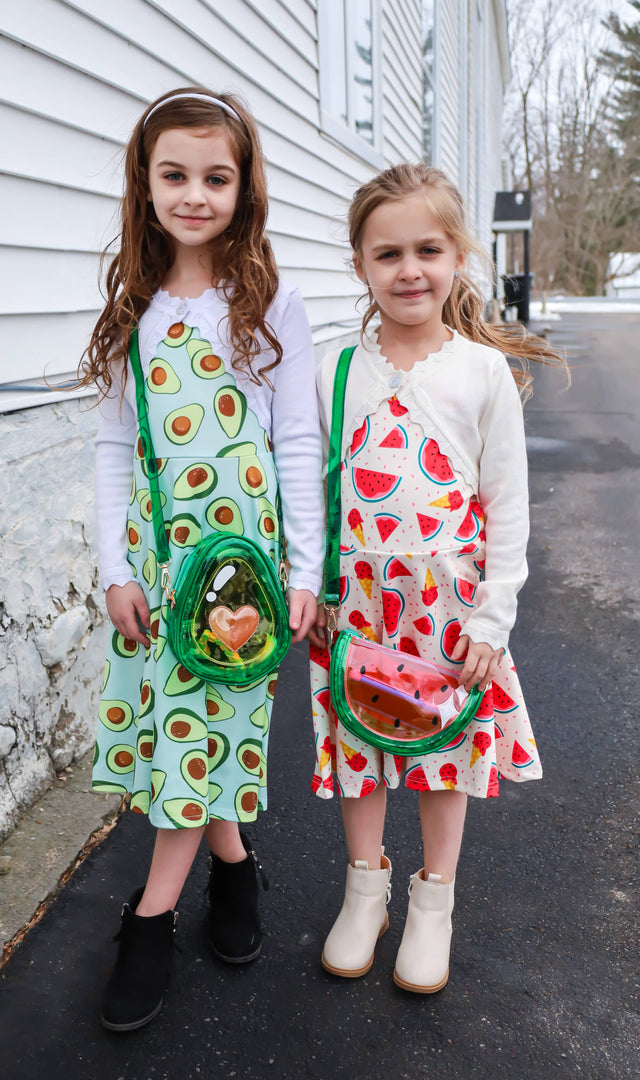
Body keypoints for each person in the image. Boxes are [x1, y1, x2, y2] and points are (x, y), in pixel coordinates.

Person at [79, 87, 323, 1031]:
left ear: (244, 186)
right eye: (173, 174)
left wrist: (303, 572)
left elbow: (297, 441)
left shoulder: (273, 302)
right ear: (144, 185)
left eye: (215, 177)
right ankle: (233, 872)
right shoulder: (132, 313)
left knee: (192, 737)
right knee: (187, 737)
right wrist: (115, 568)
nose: (194, 194)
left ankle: (147, 922)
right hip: (159, 565)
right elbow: (112, 449)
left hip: (240, 578)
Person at [308, 162, 567, 994]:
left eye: (427, 249)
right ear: (359, 265)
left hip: (447, 610)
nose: (409, 269)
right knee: (360, 754)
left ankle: (433, 903)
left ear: (458, 255)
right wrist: (312, 586)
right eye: (387, 254)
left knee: (439, 757)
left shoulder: (480, 372)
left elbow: (509, 509)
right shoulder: (333, 371)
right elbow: (313, 491)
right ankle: (364, 892)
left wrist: (492, 622)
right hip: (359, 609)